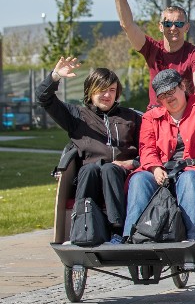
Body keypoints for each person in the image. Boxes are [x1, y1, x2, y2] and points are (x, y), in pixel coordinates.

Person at [124, 44, 195, 242]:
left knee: (188, 180)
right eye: (163, 95)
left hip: (191, 170)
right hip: (161, 170)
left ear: (182, 86)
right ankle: (132, 237)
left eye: (171, 91)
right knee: (138, 180)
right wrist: (154, 168)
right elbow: (147, 148)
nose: (169, 98)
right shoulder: (151, 117)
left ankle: (193, 239)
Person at [37, 58, 141, 244]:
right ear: (90, 91)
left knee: (110, 169)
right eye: (102, 90)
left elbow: (148, 148)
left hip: (123, 175)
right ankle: (82, 227)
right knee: (90, 169)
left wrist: (132, 163)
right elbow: (44, 98)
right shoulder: (77, 116)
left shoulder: (130, 117)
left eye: (112, 90)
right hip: (90, 176)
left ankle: (117, 231)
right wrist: (54, 77)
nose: (107, 95)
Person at [111, 0, 195, 106]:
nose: (173, 28)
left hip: (184, 118)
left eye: (179, 23)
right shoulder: (152, 49)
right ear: (161, 27)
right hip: (156, 117)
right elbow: (127, 25)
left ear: (186, 27)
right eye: (168, 23)